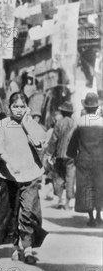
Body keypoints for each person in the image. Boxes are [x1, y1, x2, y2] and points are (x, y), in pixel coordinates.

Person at [0, 92, 48, 265]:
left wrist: (29, 127)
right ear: (9, 108)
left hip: (30, 173)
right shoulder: (2, 125)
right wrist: (9, 162)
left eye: (22, 106)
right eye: (15, 106)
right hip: (9, 175)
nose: (19, 110)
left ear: (27, 107)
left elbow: (41, 144)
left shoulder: (30, 123)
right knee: (11, 212)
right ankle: (16, 247)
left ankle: (28, 247)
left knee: (29, 211)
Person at [67, 92, 103, 227]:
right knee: (99, 186)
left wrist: (71, 154)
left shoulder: (80, 121)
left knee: (87, 187)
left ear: (86, 107)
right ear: (96, 107)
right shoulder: (102, 122)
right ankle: (99, 215)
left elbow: (73, 143)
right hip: (100, 160)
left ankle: (91, 218)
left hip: (84, 160)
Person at [44, 101, 76, 210]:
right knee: (70, 178)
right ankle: (67, 202)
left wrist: (49, 153)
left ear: (62, 112)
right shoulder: (75, 123)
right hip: (72, 156)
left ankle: (60, 200)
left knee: (59, 177)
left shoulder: (59, 123)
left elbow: (53, 140)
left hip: (59, 154)